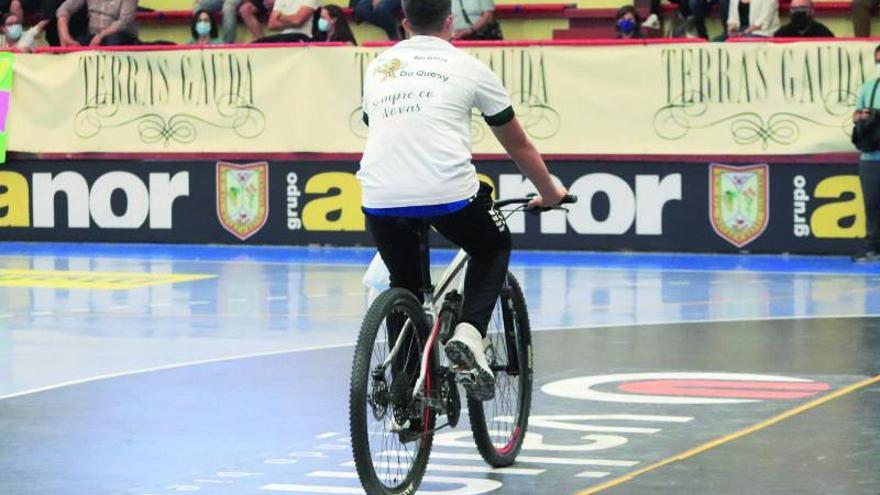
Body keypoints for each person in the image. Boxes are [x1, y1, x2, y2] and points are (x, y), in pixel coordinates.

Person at [358, 0, 567, 402]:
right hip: (448, 194)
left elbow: (382, 126)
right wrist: (549, 192)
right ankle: (471, 334)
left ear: (403, 24)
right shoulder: (469, 67)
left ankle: (403, 396)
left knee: (406, 284)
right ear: (451, 23)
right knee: (492, 245)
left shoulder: (378, 67)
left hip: (379, 195)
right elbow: (518, 144)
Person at [852, 45, 880, 261]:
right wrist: (863, 117)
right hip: (870, 156)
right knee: (871, 203)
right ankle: (872, 244)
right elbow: (855, 116)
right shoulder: (868, 87)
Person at [56, 0, 139, 46]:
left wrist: (101, 36)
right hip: (93, 35)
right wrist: (66, 37)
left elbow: (125, 22)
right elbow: (64, 10)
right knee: (77, 46)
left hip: (120, 35)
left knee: (112, 42)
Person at [252, 0, 317, 42]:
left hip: (302, 36)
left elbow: (297, 21)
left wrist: (280, 17)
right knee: (256, 44)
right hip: (284, 37)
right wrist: (293, 20)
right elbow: (271, 24)